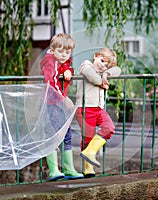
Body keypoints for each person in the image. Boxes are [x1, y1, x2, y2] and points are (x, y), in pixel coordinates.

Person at [40, 33, 83, 181]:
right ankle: (54, 170)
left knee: (66, 135)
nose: (64, 54)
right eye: (60, 51)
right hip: (53, 104)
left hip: (59, 104)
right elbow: (51, 83)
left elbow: (67, 71)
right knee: (54, 134)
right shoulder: (50, 63)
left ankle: (68, 168)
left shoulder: (62, 63)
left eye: (68, 51)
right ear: (52, 50)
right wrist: (64, 99)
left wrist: (68, 71)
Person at [75, 48, 121, 178]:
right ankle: (87, 168)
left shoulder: (103, 72)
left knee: (109, 127)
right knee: (88, 138)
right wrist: (102, 82)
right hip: (85, 108)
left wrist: (106, 74)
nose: (103, 65)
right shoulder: (86, 65)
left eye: (106, 65)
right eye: (101, 61)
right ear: (95, 56)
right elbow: (93, 78)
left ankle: (90, 152)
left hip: (99, 108)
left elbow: (118, 70)